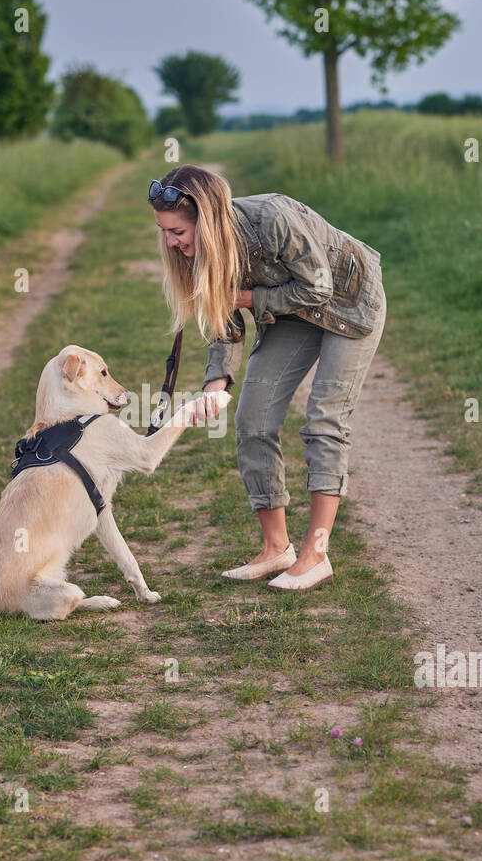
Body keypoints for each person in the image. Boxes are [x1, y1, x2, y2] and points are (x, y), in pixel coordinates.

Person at [149, 165, 386, 590]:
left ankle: (316, 554)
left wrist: (248, 298)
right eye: (165, 231)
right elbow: (224, 316)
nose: (171, 242)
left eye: (178, 232)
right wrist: (215, 382)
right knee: (252, 419)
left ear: (207, 220)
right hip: (293, 314)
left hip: (349, 304)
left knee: (324, 421)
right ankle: (276, 548)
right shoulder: (198, 252)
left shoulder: (273, 218)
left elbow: (319, 288)